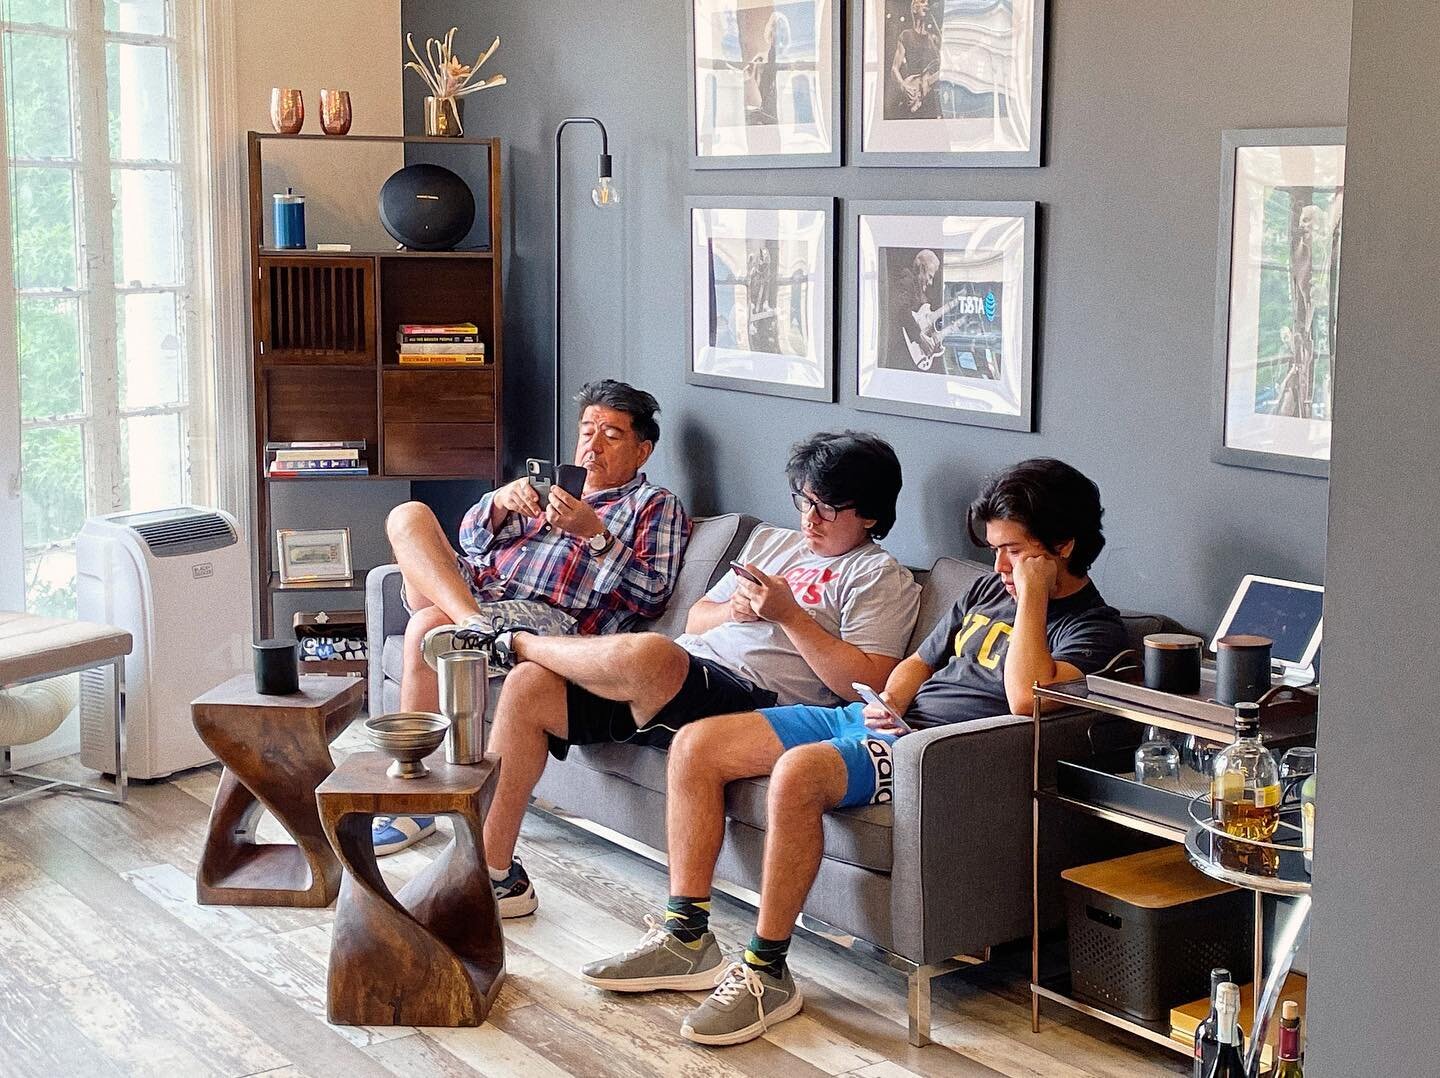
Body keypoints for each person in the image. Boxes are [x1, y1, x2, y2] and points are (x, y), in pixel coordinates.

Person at [581, 458, 1130, 1047]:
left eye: (1014, 552)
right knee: (698, 744)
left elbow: (1026, 698)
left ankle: (766, 973)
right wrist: (886, 702)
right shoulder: (985, 588)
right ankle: (686, 937)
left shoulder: (1096, 630)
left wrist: (1033, 601)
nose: (998, 566)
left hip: (935, 758)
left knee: (798, 772)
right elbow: (919, 662)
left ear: (1062, 547)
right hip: (885, 724)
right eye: (994, 550)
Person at [478, 431, 922, 918]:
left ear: (871, 515)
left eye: (828, 509)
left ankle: (516, 642)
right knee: (528, 687)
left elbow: (871, 684)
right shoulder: (772, 543)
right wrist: (734, 610)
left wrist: (790, 616)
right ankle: (493, 878)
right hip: (681, 672)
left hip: (754, 699)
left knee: (651, 653)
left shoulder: (879, 577)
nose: (809, 519)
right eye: (804, 500)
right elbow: (695, 619)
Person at [375, 380, 689, 855]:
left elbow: (654, 596)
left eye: (612, 434)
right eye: (587, 430)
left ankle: (414, 803)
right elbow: (472, 545)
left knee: (425, 627)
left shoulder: (654, 505)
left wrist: (596, 535)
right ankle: (472, 626)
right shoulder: (549, 488)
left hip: (553, 619)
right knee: (408, 515)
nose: (593, 444)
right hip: (480, 593)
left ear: (642, 450)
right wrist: (500, 503)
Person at [886, 248, 942, 372]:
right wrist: (920, 337)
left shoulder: (919, 292)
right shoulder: (906, 278)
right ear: (922, 269)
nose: (931, 282)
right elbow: (901, 310)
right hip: (899, 353)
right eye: (930, 276)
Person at [889, 0, 943, 119]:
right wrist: (903, 86)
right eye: (923, 2)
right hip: (914, 92)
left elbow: (942, 67)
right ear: (914, 8)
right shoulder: (906, 35)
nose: (926, 4)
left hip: (931, 97)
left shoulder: (933, 38)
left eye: (927, 3)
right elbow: (894, 68)